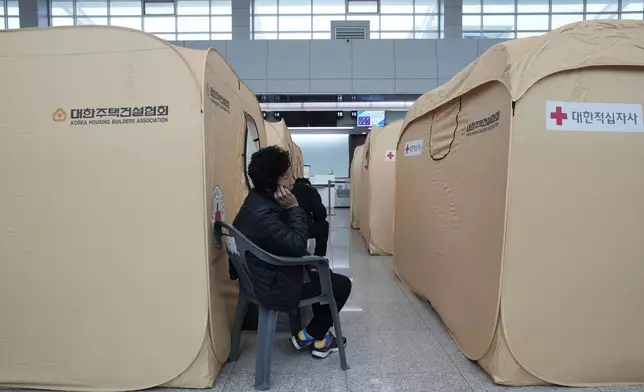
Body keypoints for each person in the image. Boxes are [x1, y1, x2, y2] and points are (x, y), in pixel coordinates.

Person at [232, 146, 352, 359]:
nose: (292, 181)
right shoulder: (264, 212)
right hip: (273, 285)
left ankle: (320, 338)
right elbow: (297, 245)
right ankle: (310, 335)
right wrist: (294, 207)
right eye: (286, 176)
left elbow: (284, 241)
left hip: (265, 275)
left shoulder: (256, 200)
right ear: (272, 182)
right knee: (341, 284)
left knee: (321, 273)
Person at [291, 177, 329, 257]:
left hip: (284, 227)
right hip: (303, 228)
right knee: (324, 225)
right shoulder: (310, 190)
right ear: (308, 184)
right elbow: (320, 213)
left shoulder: (285, 191)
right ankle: (319, 256)